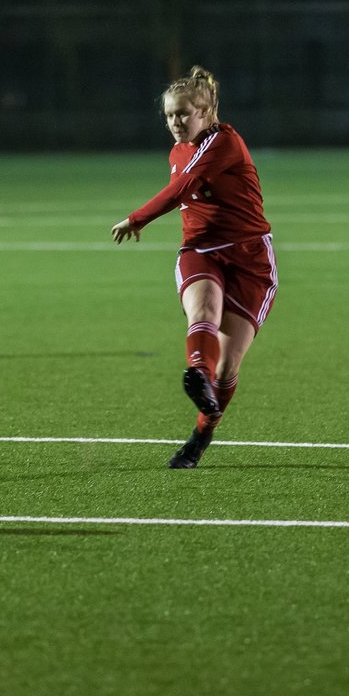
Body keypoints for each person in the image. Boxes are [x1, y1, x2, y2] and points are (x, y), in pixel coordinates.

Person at [111, 66, 277, 469]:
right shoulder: (177, 151)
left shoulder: (224, 141)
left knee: (228, 369)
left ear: (207, 112)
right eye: (170, 115)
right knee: (203, 314)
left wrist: (138, 217)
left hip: (250, 259)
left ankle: (202, 433)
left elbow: (183, 187)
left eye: (184, 113)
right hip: (201, 250)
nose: (175, 122)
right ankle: (196, 373)